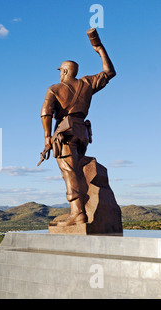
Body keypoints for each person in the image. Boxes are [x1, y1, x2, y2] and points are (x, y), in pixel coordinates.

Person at [40, 43, 116, 227]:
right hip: (82, 132)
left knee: (69, 171)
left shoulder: (55, 89)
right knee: (78, 172)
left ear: (65, 72)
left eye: (61, 71)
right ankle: (81, 209)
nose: (59, 74)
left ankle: (78, 213)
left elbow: (45, 113)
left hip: (64, 132)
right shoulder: (87, 83)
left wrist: (47, 138)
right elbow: (109, 72)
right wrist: (99, 49)